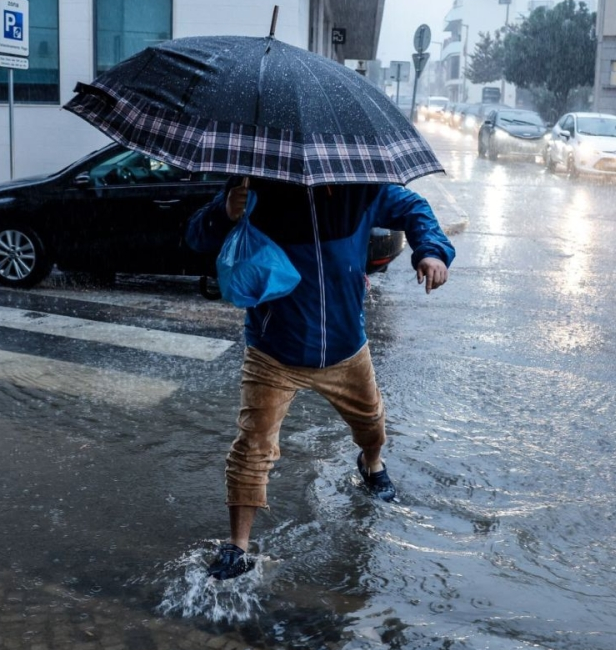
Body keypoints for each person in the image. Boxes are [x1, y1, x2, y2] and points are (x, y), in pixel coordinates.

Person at [186, 177, 455, 580]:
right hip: (273, 350)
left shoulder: (359, 188)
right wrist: (225, 211)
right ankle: (237, 547)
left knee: (371, 423)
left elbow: (414, 207)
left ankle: (372, 463)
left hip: (346, 348)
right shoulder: (254, 184)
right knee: (252, 447)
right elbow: (197, 237)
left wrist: (431, 251)